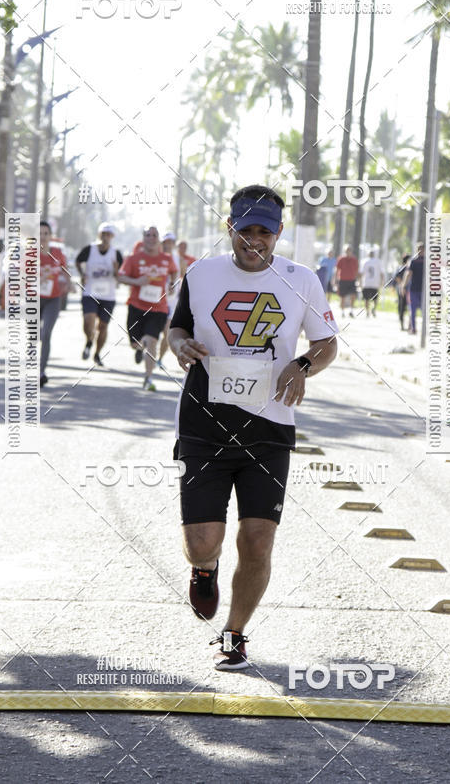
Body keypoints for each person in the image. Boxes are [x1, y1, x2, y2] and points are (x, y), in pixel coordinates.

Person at [168, 185, 338, 670]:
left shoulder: (302, 280)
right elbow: (177, 328)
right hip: (203, 424)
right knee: (202, 544)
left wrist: (302, 365)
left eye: (265, 231)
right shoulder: (201, 274)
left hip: (269, 428)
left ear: (279, 233)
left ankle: (234, 635)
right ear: (231, 229)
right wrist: (180, 346)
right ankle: (205, 569)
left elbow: (327, 343)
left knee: (258, 539)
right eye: (246, 230)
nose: (254, 240)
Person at [118, 225, 178, 391]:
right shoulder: (133, 258)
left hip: (158, 308)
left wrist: (172, 284)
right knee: (135, 343)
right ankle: (138, 348)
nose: (151, 238)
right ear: (143, 239)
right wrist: (136, 281)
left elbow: (174, 272)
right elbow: (121, 277)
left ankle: (148, 378)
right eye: (148, 235)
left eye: (154, 235)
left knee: (152, 341)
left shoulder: (166, 259)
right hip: (136, 306)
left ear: (158, 239)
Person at [75, 223, 123, 366]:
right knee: (88, 321)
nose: (105, 237)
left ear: (112, 237)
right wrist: (82, 274)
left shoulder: (116, 254)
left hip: (108, 296)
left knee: (103, 326)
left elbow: (120, 276)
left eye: (108, 235)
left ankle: (97, 354)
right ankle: (89, 340)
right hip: (90, 292)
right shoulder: (90, 249)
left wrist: (116, 270)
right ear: (99, 235)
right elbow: (78, 261)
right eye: (103, 234)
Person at [39, 220, 69, 388]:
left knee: (46, 334)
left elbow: (65, 269)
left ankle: (41, 372)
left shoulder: (57, 253)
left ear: (50, 236)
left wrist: (69, 283)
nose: (43, 237)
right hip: (33, 299)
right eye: (39, 233)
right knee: (33, 335)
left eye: (46, 233)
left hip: (53, 298)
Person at [157, 231, 179, 370]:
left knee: (167, 333)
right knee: (152, 331)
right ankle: (144, 348)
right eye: (165, 242)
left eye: (170, 242)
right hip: (154, 300)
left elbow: (185, 278)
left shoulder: (179, 260)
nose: (168, 245)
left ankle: (159, 359)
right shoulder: (156, 256)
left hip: (171, 302)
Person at [403, 242, 425, 335]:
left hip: (415, 289)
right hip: (422, 289)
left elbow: (408, 274)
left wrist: (404, 286)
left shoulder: (413, 261)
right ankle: (423, 329)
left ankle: (414, 328)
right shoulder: (428, 261)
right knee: (423, 310)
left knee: (413, 310)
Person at [335, 245, 358, 317]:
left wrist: (357, 279)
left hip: (352, 280)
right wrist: (336, 279)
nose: (348, 252)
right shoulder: (341, 259)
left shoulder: (354, 260)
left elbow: (356, 270)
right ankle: (342, 312)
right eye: (347, 250)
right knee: (343, 297)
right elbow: (337, 269)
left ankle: (351, 310)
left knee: (353, 295)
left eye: (349, 250)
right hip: (343, 280)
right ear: (345, 251)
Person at [360, 250, 384, 317]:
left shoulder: (365, 261)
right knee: (375, 298)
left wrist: (360, 282)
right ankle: (373, 309)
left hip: (366, 283)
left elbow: (361, 273)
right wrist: (382, 282)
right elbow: (382, 273)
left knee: (366, 299)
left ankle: (368, 311)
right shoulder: (378, 262)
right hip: (375, 283)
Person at [394, 253, 411, 330]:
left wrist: (401, 284)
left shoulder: (401, 267)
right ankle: (406, 325)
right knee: (405, 307)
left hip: (403, 289)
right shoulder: (404, 268)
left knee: (402, 307)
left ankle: (405, 325)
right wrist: (403, 284)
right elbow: (397, 277)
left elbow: (396, 277)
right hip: (405, 290)